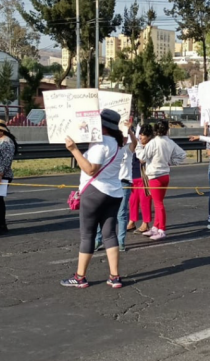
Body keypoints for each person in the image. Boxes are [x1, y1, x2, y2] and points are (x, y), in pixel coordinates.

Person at [61, 109, 124, 289]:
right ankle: (114, 276)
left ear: (102, 126)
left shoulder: (100, 143)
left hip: (95, 192)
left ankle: (80, 277)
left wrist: (74, 150)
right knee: (109, 234)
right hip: (114, 192)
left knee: (87, 234)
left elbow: (90, 169)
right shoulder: (118, 143)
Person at [136, 120, 186, 241]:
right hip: (165, 175)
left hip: (155, 175)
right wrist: (172, 162)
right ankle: (155, 226)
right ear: (167, 130)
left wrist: (138, 144)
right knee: (159, 202)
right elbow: (182, 154)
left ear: (155, 130)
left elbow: (142, 157)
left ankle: (162, 229)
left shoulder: (153, 142)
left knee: (158, 204)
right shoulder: (170, 141)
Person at [94, 121, 138, 252]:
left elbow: (135, 143)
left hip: (124, 183)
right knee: (101, 213)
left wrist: (129, 130)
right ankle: (98, 240)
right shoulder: (111, 148)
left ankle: (121, 242)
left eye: (125, 136)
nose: (124, 138)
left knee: (122, 214)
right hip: (109, 183)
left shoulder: (128, 149)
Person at [128, 124, 154, 234]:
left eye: (143, 135)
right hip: (134, 176)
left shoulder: (152, 146)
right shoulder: (137, 144)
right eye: (140, 135)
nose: (141, 137)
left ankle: (146, 223)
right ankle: (132, 221)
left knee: (145, 201)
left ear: (149, 137)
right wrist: (129, 130)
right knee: (133, 200)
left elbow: (143, 160)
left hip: (145, 176)